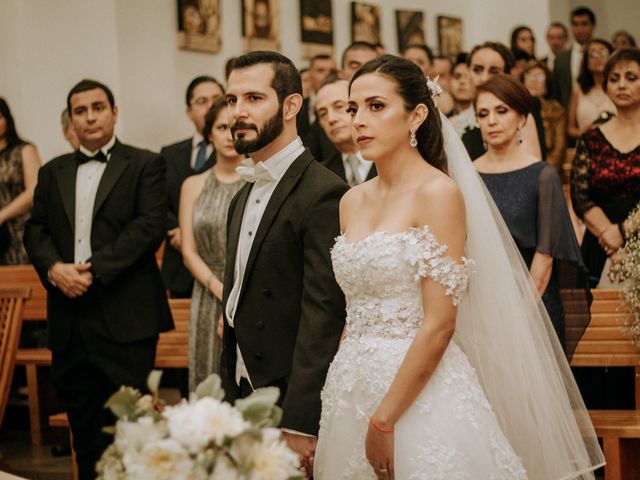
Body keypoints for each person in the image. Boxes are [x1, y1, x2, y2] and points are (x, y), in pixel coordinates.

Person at [314, 54, 603, 480]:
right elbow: (353, 307)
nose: (358, 119)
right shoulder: (350, 201)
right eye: (353, 107)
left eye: (376, 106)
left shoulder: (437, 192)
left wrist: (384, 420)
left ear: (416, 115)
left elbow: (440, 323)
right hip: (349, 385)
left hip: (418, 391)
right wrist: (338, 389)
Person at [23, 79, 173, 479]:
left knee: (133, 430)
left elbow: (148, 227)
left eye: (98, 107)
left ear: (114, 112)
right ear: (70, 119)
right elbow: (35, 231)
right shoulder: (52, 171)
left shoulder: (145, 163)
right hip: (69, 319)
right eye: (80, 110)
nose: (90, 117)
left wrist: (90, 270)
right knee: (84, 433)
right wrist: (55, 270)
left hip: (125, 317)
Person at [221, 51, 348, 476]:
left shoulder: (323, 192)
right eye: (232, 99)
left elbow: (323, 315)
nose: (238, 112)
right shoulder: (241, 195)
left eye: (254, 98)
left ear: (291, 105)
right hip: (242, 387)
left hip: (290, 397)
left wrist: (301, 420)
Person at [474, 73, 588, 353]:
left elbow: (545, 257)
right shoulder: (468, 175)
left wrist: (517, 318)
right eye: (483, 113)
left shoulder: (542, 175)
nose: (492, 121)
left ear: (522, 119)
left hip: (533, 302)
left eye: (502, 111)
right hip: (481, 300)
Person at [179, 97, 245, 391]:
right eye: (222, 127)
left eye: (236, 128)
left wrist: (235, 296)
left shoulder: (259, 181)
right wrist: (220, 291)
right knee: (209, 382)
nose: (230, 135)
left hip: (248, 291)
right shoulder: (192, 185)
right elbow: (189, 252)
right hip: (208, 293)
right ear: (209, 134)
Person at [571, 48, 640, 287]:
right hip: (598, 243)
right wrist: (609, 237)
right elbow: (580, 197)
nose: (622, 85)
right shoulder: (591, 137)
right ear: (606, 86)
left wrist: (622, 231)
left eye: (631, 78)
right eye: (614, 79)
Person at [160, 75, 223, 298]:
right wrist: (178, 232)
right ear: (189, 112)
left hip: (221, 266)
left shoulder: (234, 152)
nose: (210, 106)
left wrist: (192, 235)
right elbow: (159, 202)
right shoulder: (169, 154)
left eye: (217, 98)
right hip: (178, 267)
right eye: (201, 101)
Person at [459, 42, 545, 161]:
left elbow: (532, 172)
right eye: (477, 70)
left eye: (494, 71)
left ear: (507, 75)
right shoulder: (455, 124)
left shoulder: (520, 119)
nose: (484, 78)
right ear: (468, 72)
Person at [314, 74, 376, 184]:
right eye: (323, 114)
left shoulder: (391, 161)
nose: (331, 119)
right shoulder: (320, 175)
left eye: (339, 107)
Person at [0, 98, 41, 264]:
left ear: (7, 119)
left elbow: (34, 191)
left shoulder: (24, 150)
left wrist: (2, 215)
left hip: (19, 233)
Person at [522, 61, 567, 172]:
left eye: (539, 76)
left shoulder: (556, 109)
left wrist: (543, 174)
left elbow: (559, 149)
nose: (534, 80)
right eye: (530, 76)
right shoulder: (515, 108)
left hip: (547, 170)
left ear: (547, 82)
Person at [567, 39, 615, 140]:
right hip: (587, 147)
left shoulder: (618, 87)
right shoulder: (578, 89)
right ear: (586, 61)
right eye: (593, 54)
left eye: (603, 52)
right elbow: (570, 129)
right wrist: (582, 132)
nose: (599, 58)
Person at [554, 6, 597, 109]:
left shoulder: (603, 55)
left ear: (593, 26)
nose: (580, 29)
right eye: (576, 24)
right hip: (568, 113)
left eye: (584, 24)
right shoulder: (561, 59)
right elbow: (557, 92)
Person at [402, 44, 455, 115]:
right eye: (408, 61)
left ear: (431, 68)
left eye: (420, 62)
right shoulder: (393, 94)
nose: (413, 65)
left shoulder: (442, 100)